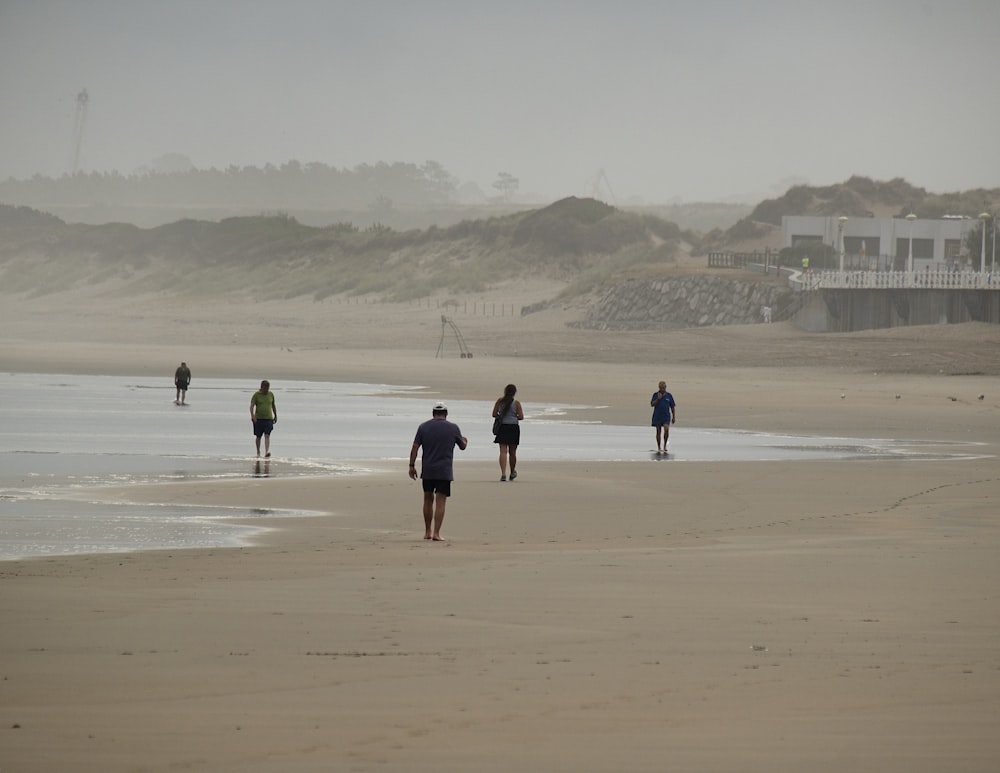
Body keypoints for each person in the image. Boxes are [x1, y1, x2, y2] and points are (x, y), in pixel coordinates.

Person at [408, 402, 468, 541]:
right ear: (446, 414)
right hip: (444, 471)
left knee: (427, 499)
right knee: (441, 501)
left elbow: (415, 447)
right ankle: (436, 533)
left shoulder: (423, 427)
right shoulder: (453, 428)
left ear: (433, 413)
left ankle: (427, 531)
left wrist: (411, 465)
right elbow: (463, 446)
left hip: (428, 470)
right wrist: (465, 440)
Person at [492, 383, 524, 481]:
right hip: (513, 427)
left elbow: (494, 414)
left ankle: (503, 474)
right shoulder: (516, 403)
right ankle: (512, 471)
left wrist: (501, 415)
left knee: (503, 451)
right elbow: (521, 417)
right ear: (515, 392)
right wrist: (514, 417)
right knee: (512, 452)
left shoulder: (499, 401)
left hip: (503, 427)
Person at [249, 379, 277, 458]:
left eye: (268, 388)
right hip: (258, 419)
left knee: (267, 435)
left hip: (268, 418)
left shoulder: (271, 394)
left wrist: (275, 415)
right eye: (265, 388)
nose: (267, 390)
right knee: (258, 436)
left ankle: (267, 451)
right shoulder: (256, 395)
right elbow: (251, 406)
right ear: (261, 387)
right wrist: (252, 415)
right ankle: (258, 452)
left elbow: (273, 405)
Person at [650, 380, 676, 454]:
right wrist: (658, 399)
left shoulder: (669, 395)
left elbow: (672, 407)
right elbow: (652, 404)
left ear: (665, 387)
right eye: (661, 388)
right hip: (657, 415)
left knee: (666, 429)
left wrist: (674, 417)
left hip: (666, 416)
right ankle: (659, 447)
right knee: (658, 431)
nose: (662, 389)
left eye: (663, 388)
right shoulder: (655, 394)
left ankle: (664, 446)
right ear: (659, 387)